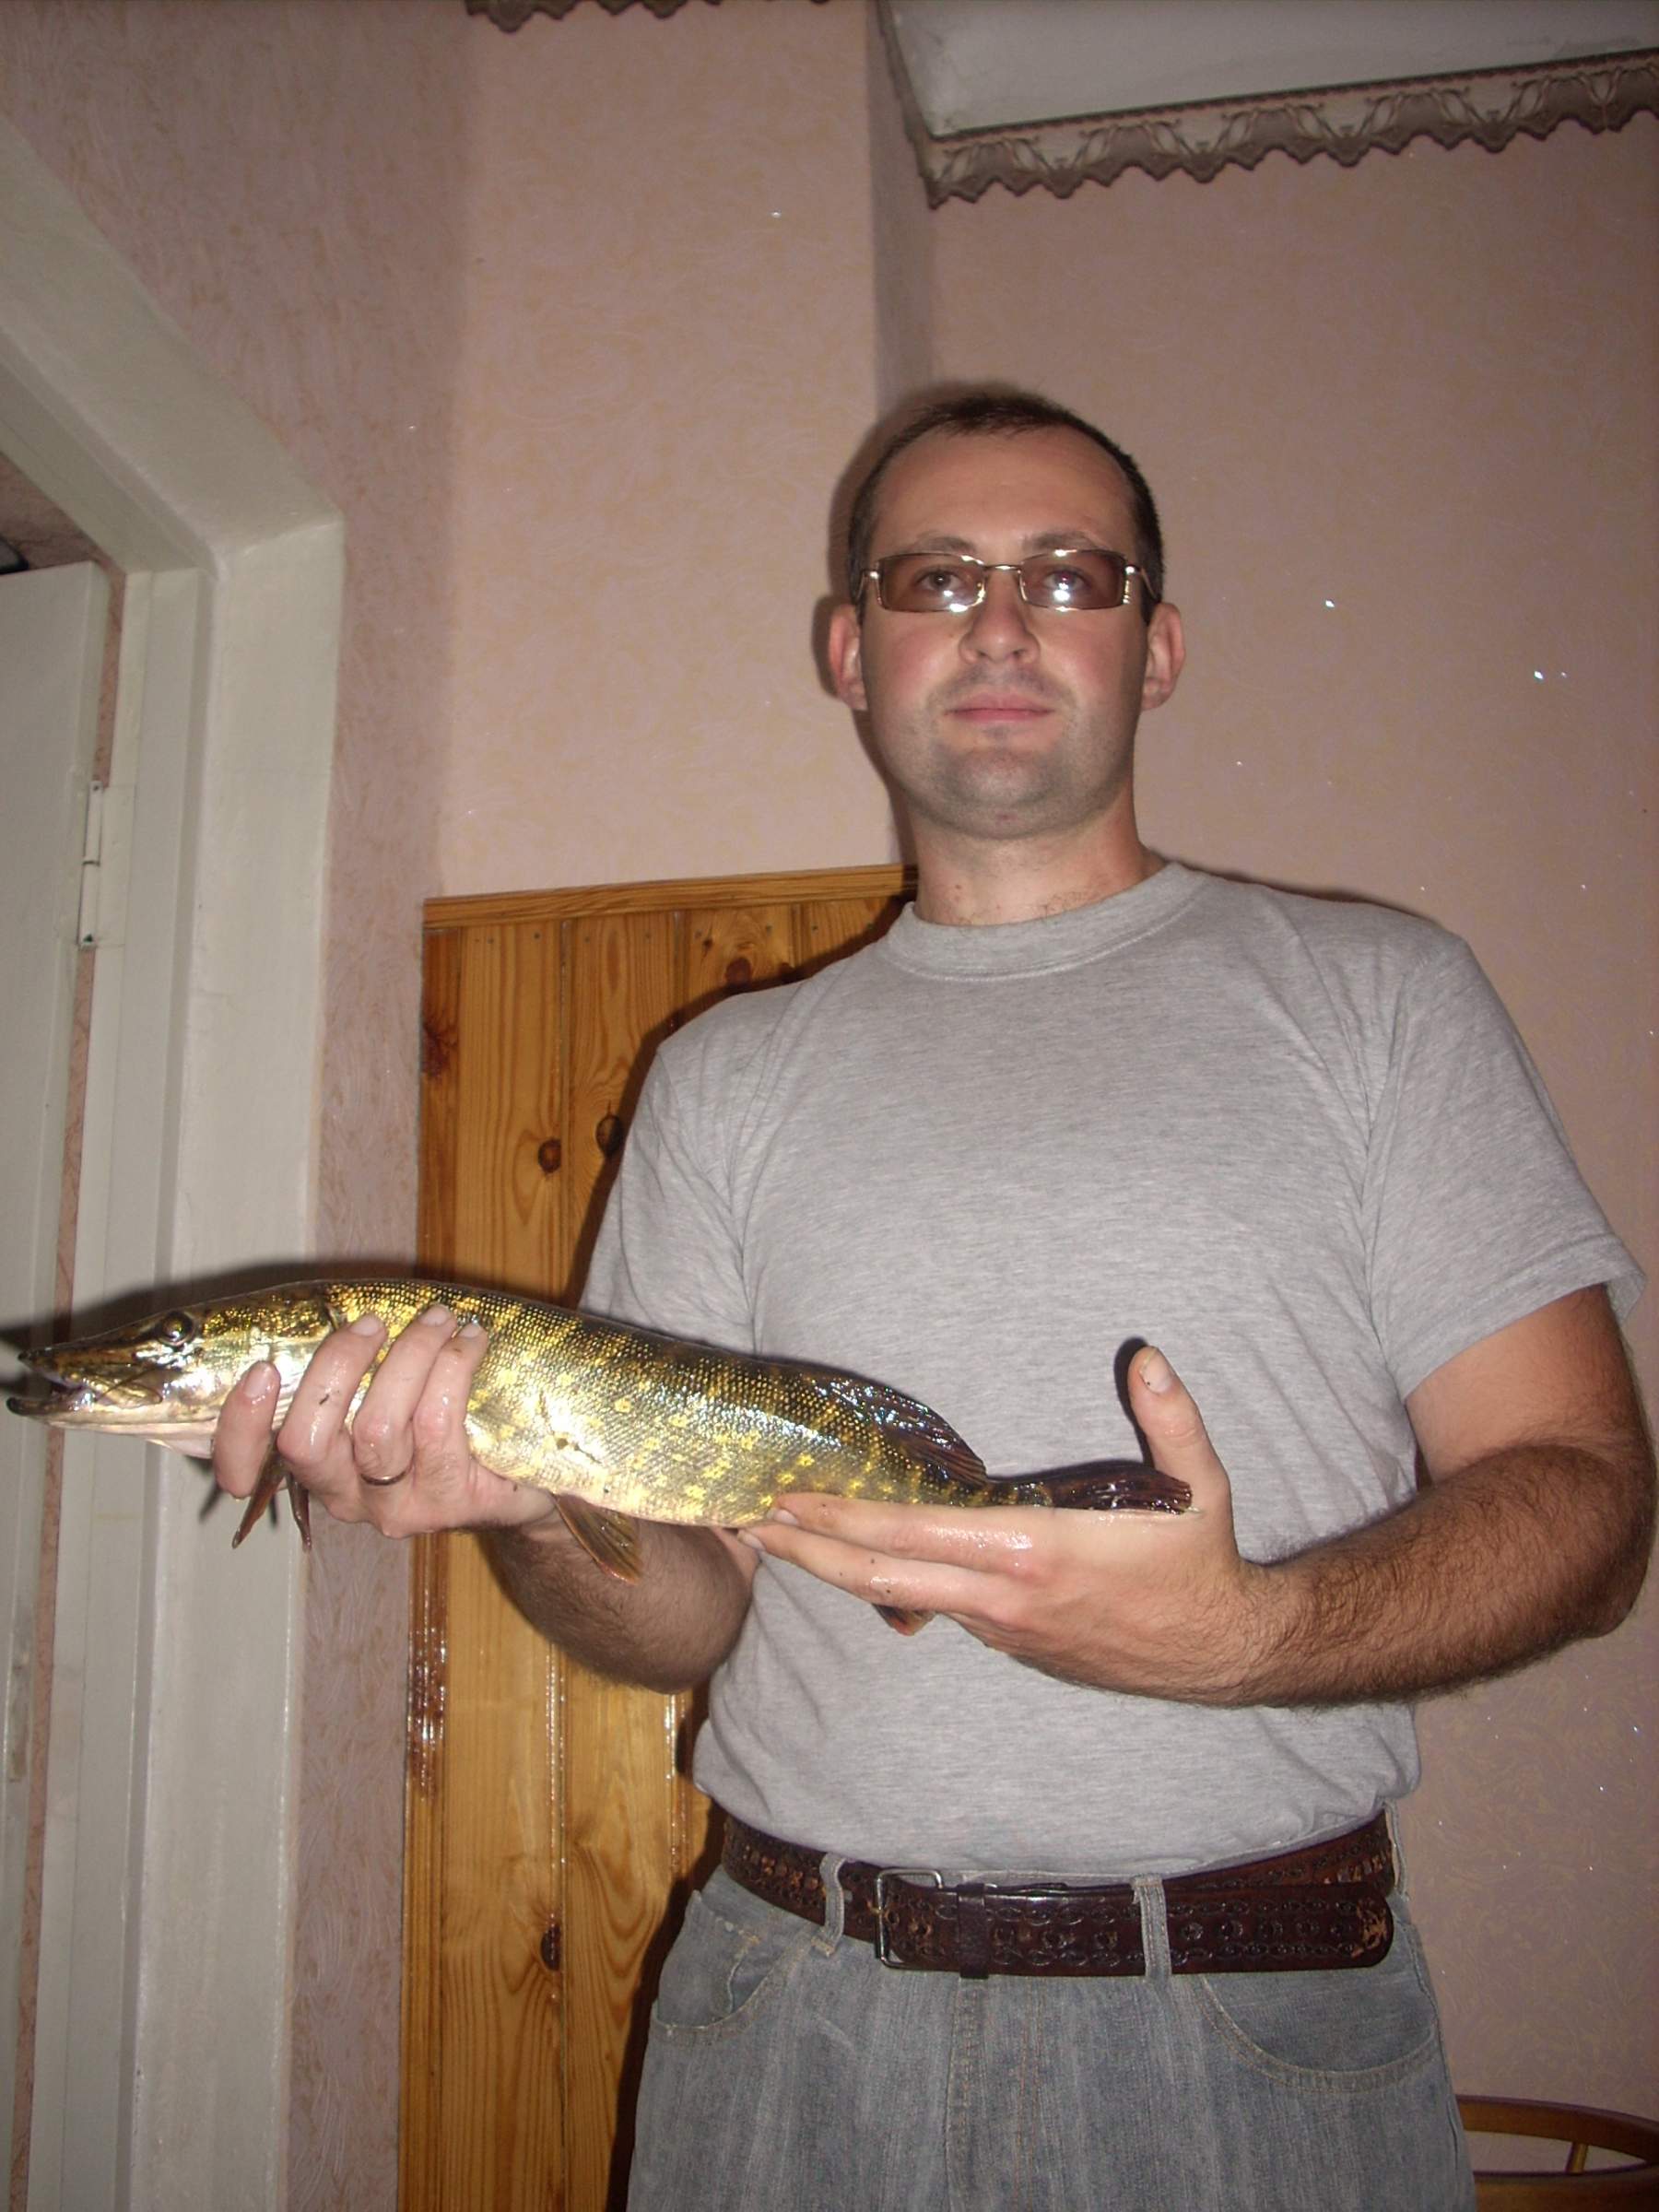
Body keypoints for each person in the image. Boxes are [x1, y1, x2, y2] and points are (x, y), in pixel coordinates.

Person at [215, 389, 1653, 2211]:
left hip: (1249, 2040)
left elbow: (1588, 1501)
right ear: (852, 648)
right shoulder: (724, 1080)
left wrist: (1248, 1637)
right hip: (792, 2018)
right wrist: (536, 1510)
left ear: (1158, 645)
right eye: (938, 578)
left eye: (1069, 575)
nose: (1000, 624)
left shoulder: (1381, 1000)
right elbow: (688, 1614)